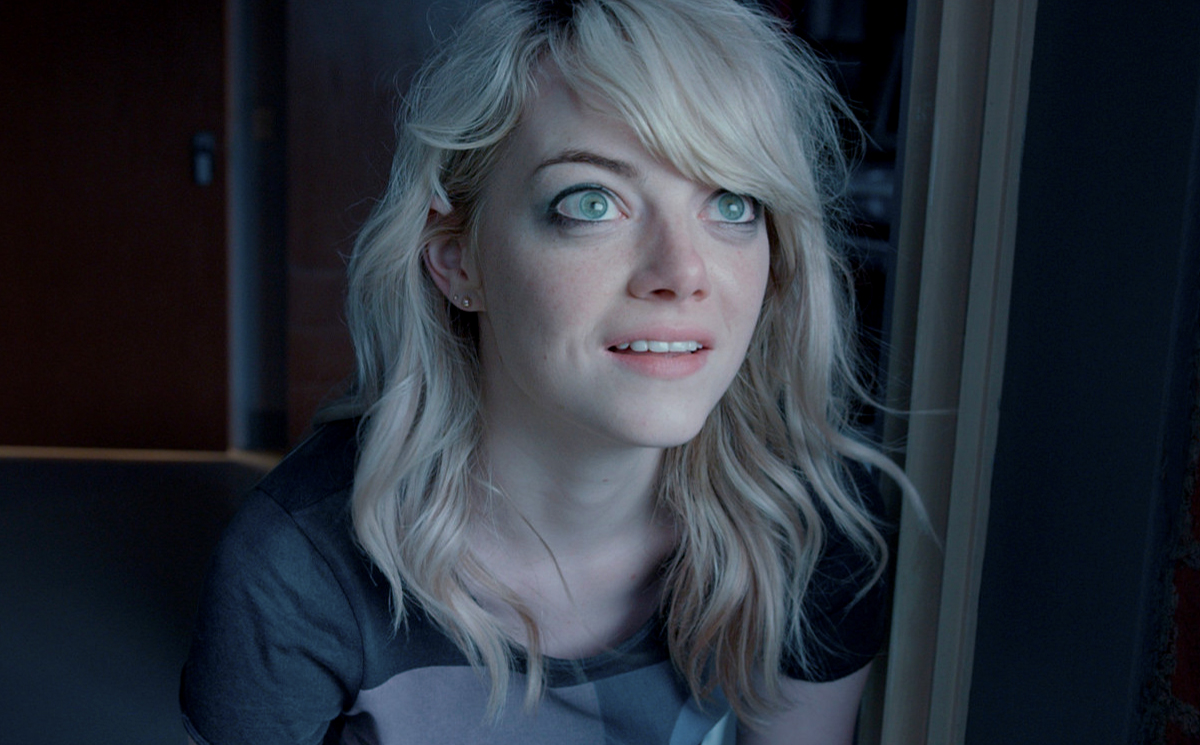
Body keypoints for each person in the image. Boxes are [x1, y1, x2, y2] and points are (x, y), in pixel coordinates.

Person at [180, 0, 909, 742]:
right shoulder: (298, 568)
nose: (683, 273)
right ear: (458, 260)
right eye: (592, 203)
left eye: (731, 203)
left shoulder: (809, 521)